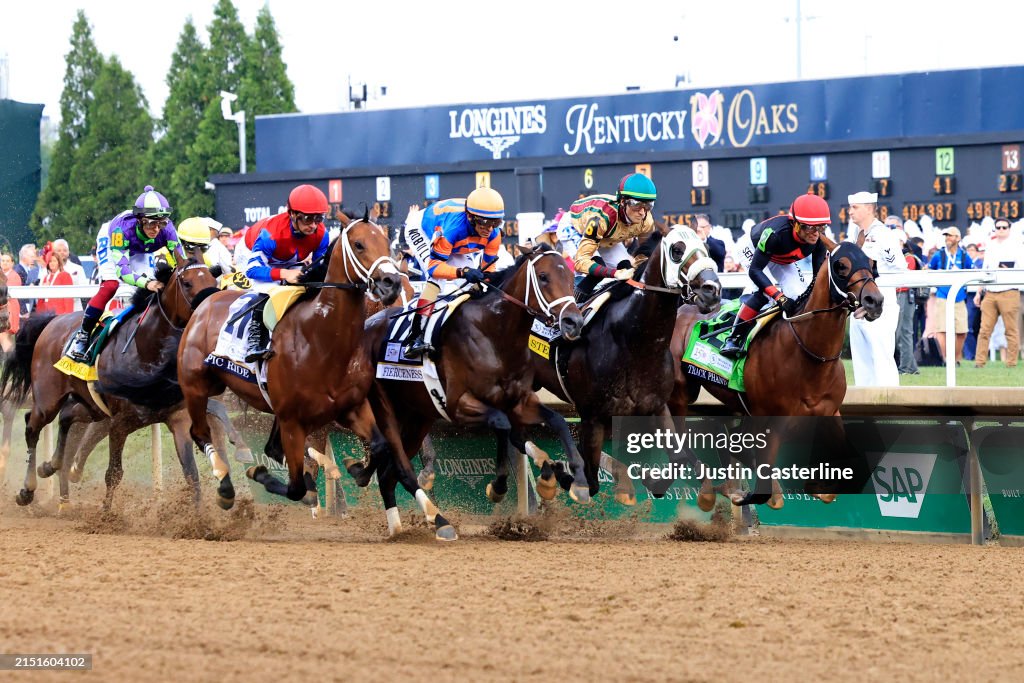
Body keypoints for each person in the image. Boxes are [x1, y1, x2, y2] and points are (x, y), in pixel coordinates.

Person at [65, 186, 180, 363]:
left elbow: (182, 262)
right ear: (140, 220)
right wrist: (147, 283)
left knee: (158, 288)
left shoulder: (168, 230)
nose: (156, 228)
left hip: (141, 247)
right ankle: (83, 335)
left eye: (161, 223)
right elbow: (123, 271)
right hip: (114, 241)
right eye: (151, 223)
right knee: (111, 285)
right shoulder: (121, 230)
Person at [721, 193, 830, 359]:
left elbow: (817, 279)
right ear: (796, 224)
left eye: (821, 227)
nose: (816, 233)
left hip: (782, 256)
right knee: (766, 293)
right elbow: (755, 271)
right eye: (810, 227)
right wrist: (779, 296)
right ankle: (734, 338)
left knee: (799, 293)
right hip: (753, 249)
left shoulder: (819, 240)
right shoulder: (774, 234)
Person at [402, 187, 504, 358]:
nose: (489, 228)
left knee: (475, 287)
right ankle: (415, 337)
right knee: (437, 281)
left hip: (454, 242)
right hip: (421, 229)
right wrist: (463, 272)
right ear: (471, 218)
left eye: (495, 223)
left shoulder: (494, 234)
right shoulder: (453, 228)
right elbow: (434, 268)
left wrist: (485, 281)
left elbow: (488, 271)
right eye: (485, 222)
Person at [243, 184, 330, 362]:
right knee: (269, 289)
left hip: (288, 259)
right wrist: (284, 274)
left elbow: (320, 269)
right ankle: (255, 341)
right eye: (307, 218)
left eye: (318, 218)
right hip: (251, 253)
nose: (313, 225)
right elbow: (251, 270)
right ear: (292, 214)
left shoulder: (322, 234)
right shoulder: (271, 234)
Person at [566, 173, 658, 303]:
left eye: (648, 205)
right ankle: (572, 308)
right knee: (597, 271)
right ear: (622, 201)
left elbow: (643, 258)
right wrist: (614, 273)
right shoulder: (601, 217)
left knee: (627, 270)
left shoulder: (646, 220)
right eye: (636, 204)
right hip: (576, 228)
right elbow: (581, 262)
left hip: (606, 236)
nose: (642, 212)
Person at [847, 191, 904, 386]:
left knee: (882, 358)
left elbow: (899, 266)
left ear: (869, 208)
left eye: (855, 207)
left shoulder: (883, 234)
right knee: (862, 359)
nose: (850, 212)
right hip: (859, 303)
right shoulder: (855, 233)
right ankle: (866, 407)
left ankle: (890, 405)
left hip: (881, 302)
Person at [974, 217, 1022, 367]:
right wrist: (978, 291)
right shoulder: (990, 245)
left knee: (1011, 330)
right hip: (990, 291)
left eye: (1004, 227)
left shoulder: (1017, 246)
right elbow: (985, 269)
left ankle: (1011, 363)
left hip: (1009, 290)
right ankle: (979, 362)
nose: (1001, 230)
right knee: (984, 329)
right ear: (995, 229)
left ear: (1009, 229)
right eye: (998, 227)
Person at [927, 226, 972, 366]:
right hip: (942, 295)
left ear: (958, 238)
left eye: (950, 236)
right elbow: (929, 269)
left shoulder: (964, 256)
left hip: (959, 297)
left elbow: (971, 272)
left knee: (962, 331)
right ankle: (945, 359)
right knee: (942, 329)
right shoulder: (939, 255)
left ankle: (956, 358)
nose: (947, 238)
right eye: (946, 236)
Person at [34, 249, 75, 315]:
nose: (52, 263)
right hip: (46, 313)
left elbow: (68, 298)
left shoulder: (65, 275)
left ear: (59, 262)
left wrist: (68, 314)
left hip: (60, 313)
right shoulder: (46, 277)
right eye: (50, 261)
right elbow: (41, 300)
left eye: (54, 261)